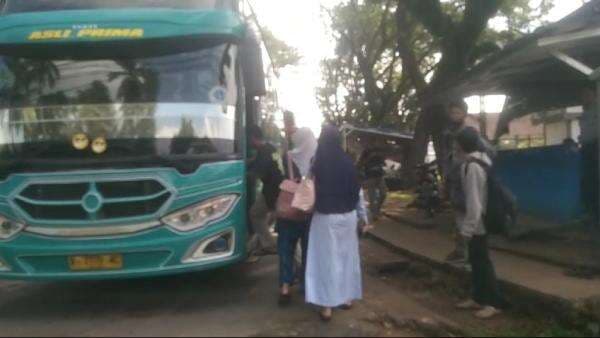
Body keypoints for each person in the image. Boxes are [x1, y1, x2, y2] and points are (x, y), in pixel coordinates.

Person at [305, 125, 370, 322]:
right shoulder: (348, 162)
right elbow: (358, 192)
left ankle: (327, 307)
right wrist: (364, 218)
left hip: (325, 218)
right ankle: (347, 298)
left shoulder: (317, 162)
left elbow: (307, 186)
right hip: (348, 218)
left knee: (326, 261)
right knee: (346, 258)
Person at [454, 127, 507, 320]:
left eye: (456, 143)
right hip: (481, 219)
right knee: (476, 261)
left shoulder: (472, 166)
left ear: (460, 144)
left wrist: (466, 230)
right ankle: (478, 297)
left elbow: (474, 203)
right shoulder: (482, 160)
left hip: (478, 223)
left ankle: (494, 302)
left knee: (482, 262)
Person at [443, 100, 495, 266]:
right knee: (458, 217)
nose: (454, 116)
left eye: (457, 112)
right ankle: (461, 250)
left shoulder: (470, 134)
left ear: (464, 113)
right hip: (455, 180)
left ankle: (469, 254)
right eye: (452, 112)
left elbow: (489, 152)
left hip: (469, 178)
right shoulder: (447, 133)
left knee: (471, 214)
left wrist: (473, 162)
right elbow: (447, 157)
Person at [277, 116, 318, 306]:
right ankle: (305, 285)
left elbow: (283, 175)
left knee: (286, 249)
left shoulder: (288, 156)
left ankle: (285, 287)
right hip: (308, 211)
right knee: (309, 250)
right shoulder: (316, 160)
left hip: (289, 208)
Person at [247, 125, 281, 257]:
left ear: (253, 138)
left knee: (255, 213)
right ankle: (263, 242)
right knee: (264, 216)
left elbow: (256, 172)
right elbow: (256, 163)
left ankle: (269, 245)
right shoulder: (270, 148)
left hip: (272, 191)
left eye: (249, 139)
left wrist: (239, 174)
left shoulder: (264, 152)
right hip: (277, 189)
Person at [579, 85, 599, 228]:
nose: (584, 97)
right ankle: (592, 214)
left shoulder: (597, 110)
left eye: (587, 94)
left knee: (594, 181)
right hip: (587, 148)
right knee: (588, 182)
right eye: (583, 94)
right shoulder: (585, 113)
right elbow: (586, 132)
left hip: (595, 148)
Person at [359, 148, 388, 221]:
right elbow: (359, 166)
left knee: (383, 193)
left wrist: (381, 167)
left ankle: (377, 208)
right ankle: (374, 214)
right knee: (372, 197)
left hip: (379, 177)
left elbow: (384, 164)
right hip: (370, 179)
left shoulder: (378, 158)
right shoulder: (364, 159)